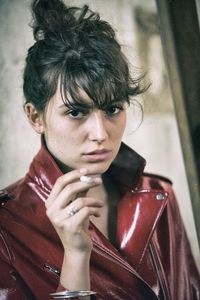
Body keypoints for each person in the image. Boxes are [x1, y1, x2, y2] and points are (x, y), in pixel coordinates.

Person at [0, 0, 199, 299]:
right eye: (76, 112)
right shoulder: (7, 226)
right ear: (35, 117)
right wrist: (75, 257)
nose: (100, 133)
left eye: (113, 108)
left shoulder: (158, 196)